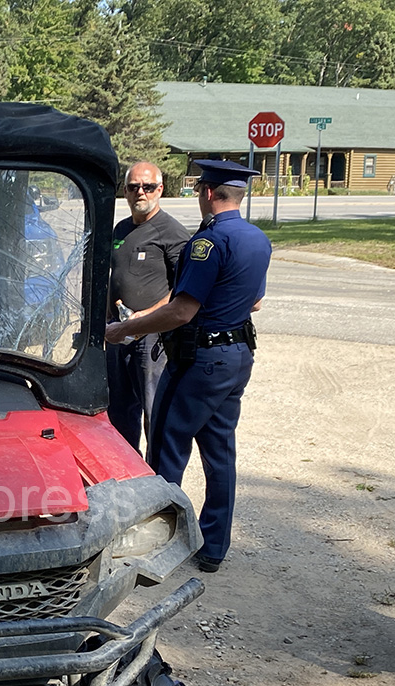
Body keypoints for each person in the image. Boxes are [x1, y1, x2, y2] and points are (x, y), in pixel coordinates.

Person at [105, 159, 272, 573]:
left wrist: (128, 328)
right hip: (237, 355)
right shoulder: (257, 239)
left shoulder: (207, 242)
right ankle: (213, 546)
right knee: (220, 452)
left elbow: (180, 312)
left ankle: (157, 543)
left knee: (165, 446)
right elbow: (254, 301)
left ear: (208, 193)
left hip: (201, 359)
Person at [107, 161, 190, 455]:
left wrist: (149, 315)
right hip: (118, 334)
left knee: (154, 412)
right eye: (133, 187)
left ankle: (158, 479)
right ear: (125, 191)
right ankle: (127, 471)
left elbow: (185, 289)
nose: (140, 192)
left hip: (152, 338)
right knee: (118, 412)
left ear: (160, 189)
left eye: (148, 186)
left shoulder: (172, 232)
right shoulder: (121, 229)